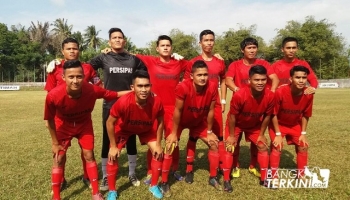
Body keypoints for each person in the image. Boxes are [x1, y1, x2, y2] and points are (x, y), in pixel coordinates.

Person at [44, 60, 129, 200]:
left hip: (84, 125)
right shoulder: (53, 96)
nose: (75, 80)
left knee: (89, 155)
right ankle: (56, 197)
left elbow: (113, 94)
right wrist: (54, 143)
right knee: (58, 158)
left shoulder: (92, 90)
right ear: (63, 77)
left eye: (79, 76)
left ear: (84, 77)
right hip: (63, 126)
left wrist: (135, 91)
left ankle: (96, 193)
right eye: (71, 77)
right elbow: (49, 120)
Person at [89, 28, 147, 190]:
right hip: (110, 105)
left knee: (131, 139)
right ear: (109, 41)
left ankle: (132, 172)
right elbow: (86, 69)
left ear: (124, 41)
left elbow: (147, 72)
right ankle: (106, 177)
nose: (117, 40)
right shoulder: (103, 57)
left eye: (120, 37)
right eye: (114, 37)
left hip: (131, 105)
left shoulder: (133, 59)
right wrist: (96, 82)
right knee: (108, 140)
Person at [167, 60, 233, 193]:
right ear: (192, 76)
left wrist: (209, 131)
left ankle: (213, 177)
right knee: (170, 144)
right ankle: (167, 179)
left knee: (214, 143)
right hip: (181, 121)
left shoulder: (213, 86)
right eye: (199, 75)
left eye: (205, 75)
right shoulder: (183, 86)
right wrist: (174, 133)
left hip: (197, 120)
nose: (203, 78)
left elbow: (210, 110)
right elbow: (178, 111)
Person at [134, 35, 189, 196]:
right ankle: (151, 170)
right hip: (154, 107)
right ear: (157, 48)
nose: (165, 47)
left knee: (173, 141)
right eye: (162, 45)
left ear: (172, 48)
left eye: (168, 45)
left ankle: (173, 169)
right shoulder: (150, 61)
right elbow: (127, 54)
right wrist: (110, 50)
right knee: (154, 141)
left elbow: (198, 64)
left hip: (173, 108)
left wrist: (184, 60)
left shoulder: (179, 62)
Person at [45, 37, 101, 191]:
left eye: (75, 48)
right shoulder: (55, 68)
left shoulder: (88, 68)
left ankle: (87, 176)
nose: (72, 51)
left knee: (87, 151)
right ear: (62, 51)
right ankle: (60, 179)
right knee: (60, 153)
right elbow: (50, 94)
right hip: (61, 119)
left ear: (79, 50)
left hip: (83, 118)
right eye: (68, 49)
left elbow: (98, 85)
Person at [105, 69, 164, 200]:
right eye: (140, 86)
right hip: (124, 129)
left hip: (146, 129)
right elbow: (110, 123)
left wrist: (159, 144)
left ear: (151, 86)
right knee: (112, 156)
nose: (144, 90)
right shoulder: (123, 102)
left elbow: (160, 123)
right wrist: (113, 146)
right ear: (132, 87)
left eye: (146, 86)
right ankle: (112, 191)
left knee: (159, 153)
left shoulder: (156, 101)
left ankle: (153, 186)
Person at [225, 37, 279, 178]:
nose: (252, 50)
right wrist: (238, 90)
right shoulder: (235, 65)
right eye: (249, 48)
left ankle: (253, 165)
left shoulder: (264, 63)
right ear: (242, 50)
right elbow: (228, 80)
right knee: (233, 144)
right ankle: (235, 166)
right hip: (240, 106)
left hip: (257, 109)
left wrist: (271, 92)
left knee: (258, 143)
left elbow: (275, 78)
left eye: (254, 47)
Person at [182, 30, 228, 183]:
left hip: (214, 105)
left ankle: (220, 165)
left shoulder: (220, 62)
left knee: (218, 137)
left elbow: (224, 80)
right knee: (194, 136)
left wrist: (223, 100)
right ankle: (189, 169)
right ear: (200, 43)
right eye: (206, 40)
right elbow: (187, 83)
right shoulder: (193, 62)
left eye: (211, 40)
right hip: (198, 105)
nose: (209, 43)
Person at [225, 65, 275, 187]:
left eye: (263, 80)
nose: (260, 83)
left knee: (262, 147)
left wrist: (262, 134)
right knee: (230, 147)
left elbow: (268, 116)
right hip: (236, 124)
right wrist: (231, 136)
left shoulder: (270, 95)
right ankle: (226, 180)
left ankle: (264, 179)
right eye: (256, 80)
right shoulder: (239, 95)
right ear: (249, 80)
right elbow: (232, 117)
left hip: (254, 125)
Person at [269, 65, 314, 188]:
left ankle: (301, 175)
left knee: (303, 146)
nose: (301, 80)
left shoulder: (308, 93)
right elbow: (273, 114)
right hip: (278, 124)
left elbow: (306, 114)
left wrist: (303, 134)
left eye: (304, 78)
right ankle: (273, 176)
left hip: (294, 125)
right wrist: (278, 134)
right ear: (290, 79)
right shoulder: (280, 91)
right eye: (297, 77)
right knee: (277, 146)